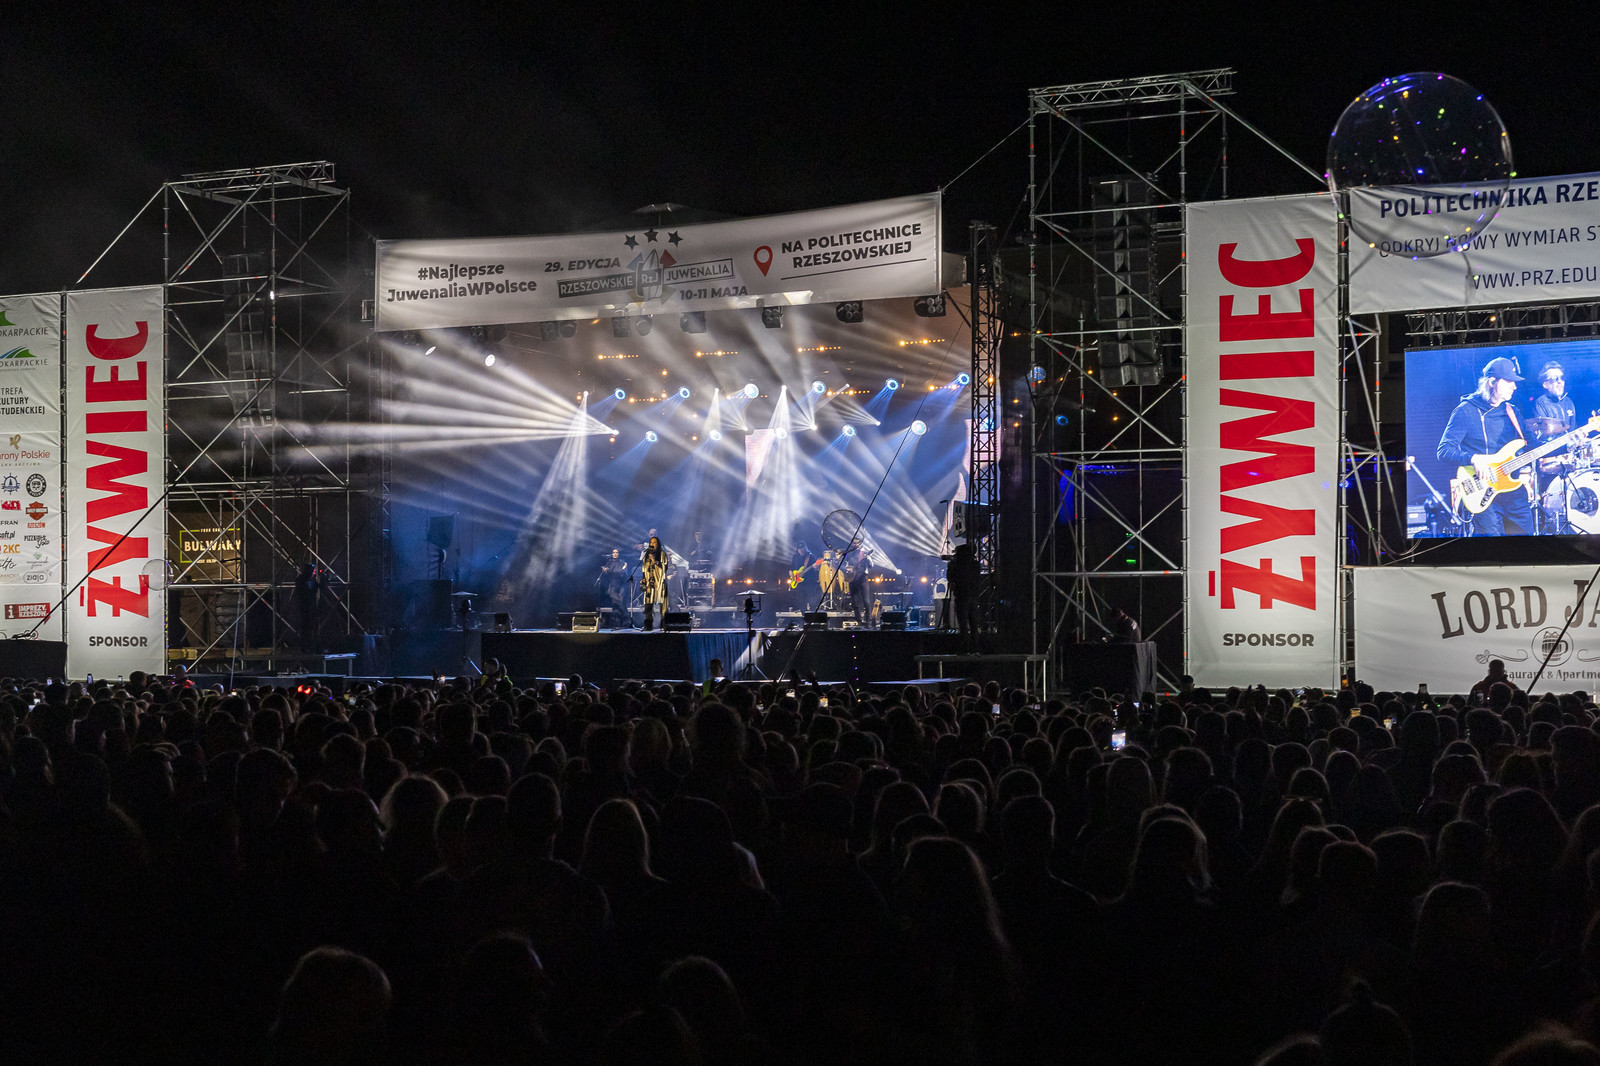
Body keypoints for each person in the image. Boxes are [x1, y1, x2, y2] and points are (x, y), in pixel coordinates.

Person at [1436, 356, 1535, 536]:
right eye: (1509, 381)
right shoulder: (1465, 411)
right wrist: (1472, 458)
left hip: (1513, 493)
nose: (1514, 386)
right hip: (1483, 492)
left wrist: (1568, 444)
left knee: (1527, 545)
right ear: (1492, 382)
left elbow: (1532, 446)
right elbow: (1444, 450)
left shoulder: (1512, 411)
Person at [946, 542, 980, 640]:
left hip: (961, 595)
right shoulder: (975, 564)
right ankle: (975, 645)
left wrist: (951, 564)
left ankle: (964, 645)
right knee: (973, 623)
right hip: (972, 596)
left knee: (963, 624)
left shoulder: (956, 565)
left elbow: (950, 577)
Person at [639, 536, 670, 632]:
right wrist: (643, 578)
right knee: (648, 605)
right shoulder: (647, 554)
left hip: (660, 582)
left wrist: (654, 560)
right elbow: (644, 568)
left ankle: (664, 624)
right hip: (649, 583)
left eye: (654, 542)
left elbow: (664, 567)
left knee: (663, 605)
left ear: (658, 544)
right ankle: (648, 625)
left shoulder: (662, 554)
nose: (652, 544)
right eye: (651, 542)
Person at [598, 549, 633, 629]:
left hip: (621, 586)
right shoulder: (609, 563)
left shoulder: (622, 563)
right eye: (614, 552)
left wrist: (623, 569)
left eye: (617, 552)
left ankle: (626, 622)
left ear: (619, 554)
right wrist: (606, 572)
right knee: (615, 604)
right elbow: (609, 575)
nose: (615, 554)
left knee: (621, 603)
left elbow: (624, 575)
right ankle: (618, 622)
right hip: (613, 586)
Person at [848, 546, 872, 626]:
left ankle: (868, 621)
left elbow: (871, 565)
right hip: (853, 579)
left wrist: (868, 558)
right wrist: (848, 569)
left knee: (866, 601)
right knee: (855, 602)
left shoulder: (865, 556)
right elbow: (845, 565)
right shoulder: (851, 554)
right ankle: (858, 620)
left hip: (863, 580)